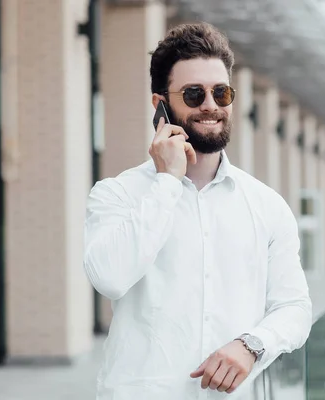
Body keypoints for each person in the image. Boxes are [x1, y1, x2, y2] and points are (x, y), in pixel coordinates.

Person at [83, 22, 312, 399]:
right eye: (193, 94)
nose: (210, 105)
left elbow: (294, 306)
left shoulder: (266, 205)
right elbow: (109, 278)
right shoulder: (117, 194)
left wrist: (252, 345)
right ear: (161, 106)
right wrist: (168, 183)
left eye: (221, 92)